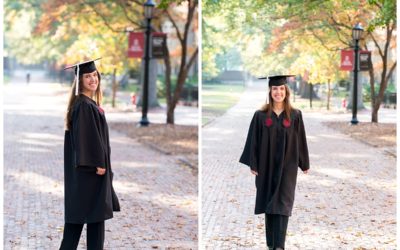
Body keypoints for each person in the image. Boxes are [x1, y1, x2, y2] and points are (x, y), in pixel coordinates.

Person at [239, 75, 309, 250]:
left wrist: (304, 162)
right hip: (266, 165)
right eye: (275, 89)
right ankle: (271, 245)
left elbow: (301, 140)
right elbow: (253, 140)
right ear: (270, 92)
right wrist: (253, 163)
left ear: (287, 92)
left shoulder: (295, 115)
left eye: (282, 89)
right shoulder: (260, 116)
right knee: (269, 203)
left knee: (283, 203)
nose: (278, 92)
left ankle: (280, 246)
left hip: (288, 166)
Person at [60, 58, 120, 250]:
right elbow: (87, 138)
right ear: (80, 81)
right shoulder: (84, 105)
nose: (93, 79)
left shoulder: (84, 103)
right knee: (86, 222)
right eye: (88, 76)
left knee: (84, 222)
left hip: (87, 175)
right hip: (91, 174)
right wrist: (98, 164)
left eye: (95, 75)